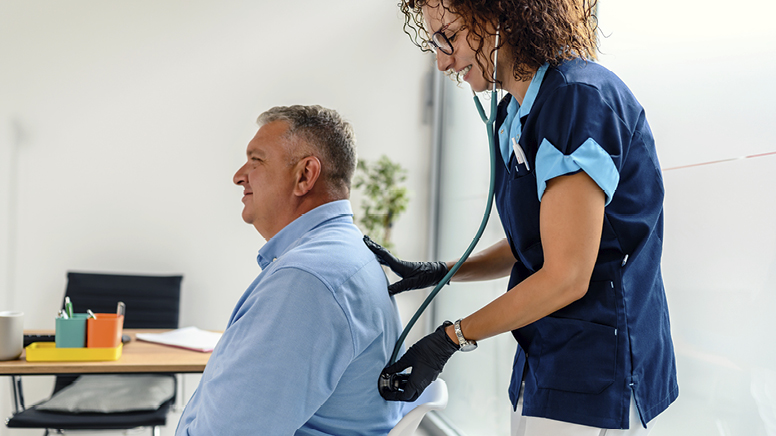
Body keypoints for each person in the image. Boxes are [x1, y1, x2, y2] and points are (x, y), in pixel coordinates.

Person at [366, 0, 678, 434]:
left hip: (596, 368)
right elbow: (532, 242)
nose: (441, 61)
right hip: (547, 357)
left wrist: (451, 338)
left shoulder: (576, 100)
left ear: (502, 16)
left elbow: (567, 274)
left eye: (448, 37)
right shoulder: (516, 114)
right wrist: (441, 272)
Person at [176, 105, 403, 435]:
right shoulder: (343, 256)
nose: (239, 176)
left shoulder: (309, 281)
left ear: (305, 176)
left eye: (257, 160)